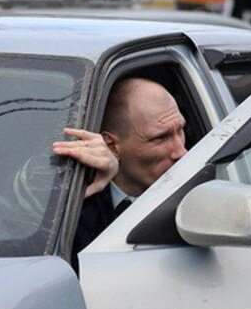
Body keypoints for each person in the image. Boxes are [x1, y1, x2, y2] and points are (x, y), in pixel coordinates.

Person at [52, 78, 187, 270]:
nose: (181, 152)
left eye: (180, 130)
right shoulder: (77, 195)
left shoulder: (194, 189)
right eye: (161, 138)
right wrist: (84, 194)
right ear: (111, 145)